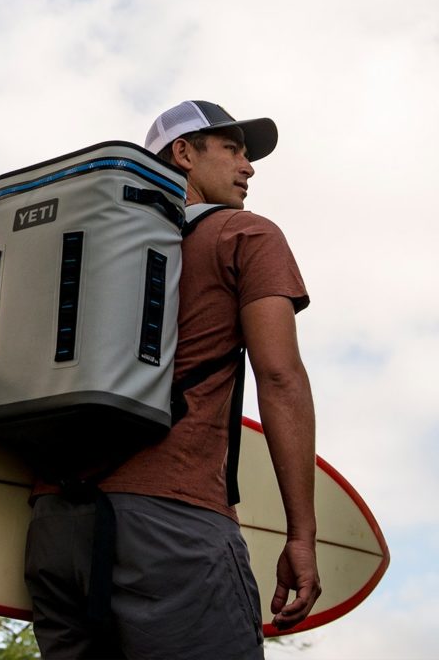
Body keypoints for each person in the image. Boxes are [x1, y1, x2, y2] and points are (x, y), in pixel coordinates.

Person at [23, 100, 321, 660]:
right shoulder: (244, 234)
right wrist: (301, 535)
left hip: (55, 529)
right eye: (232, 149)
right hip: (173, 526)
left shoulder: (81, 246)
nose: (248, 166)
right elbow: (280, 378)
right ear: (183, 154)